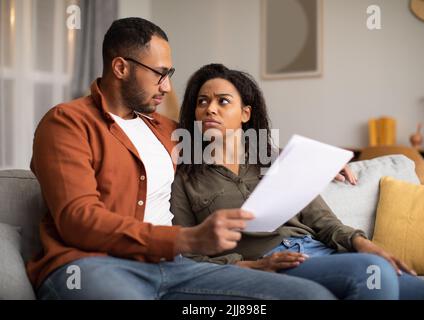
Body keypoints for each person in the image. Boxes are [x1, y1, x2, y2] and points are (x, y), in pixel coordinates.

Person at [29, 18, 338, 300]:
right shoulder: (67, 123)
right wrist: (185, 240)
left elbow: (236, 142)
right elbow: (77, 220)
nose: (167, 87)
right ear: (121, 68)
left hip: (176, 268)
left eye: (169, 75)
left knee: (310, 296)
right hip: (95, 266)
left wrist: (314, 161)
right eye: (160, 74)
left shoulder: (169, 131)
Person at [171, 63, 424, 300]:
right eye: (202, 101)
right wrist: (254, 265)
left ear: (245, 113)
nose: (210, 109)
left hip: (320, 251)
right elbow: (187, 250)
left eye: (223, 101)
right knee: (369, 274)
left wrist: (362, 243)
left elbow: (323, 220)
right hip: (280, 263)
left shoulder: (278, 159)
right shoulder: (184, 177)